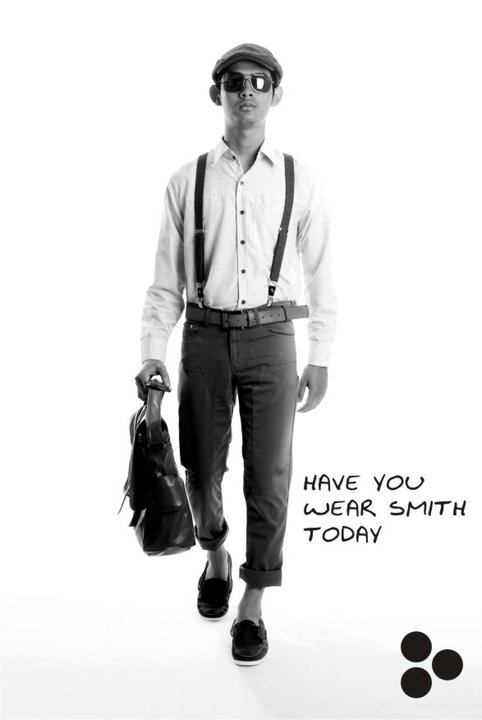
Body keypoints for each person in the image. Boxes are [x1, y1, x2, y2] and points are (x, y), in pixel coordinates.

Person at [135, 42, 337, 665]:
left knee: (269, 475)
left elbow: (322, 274)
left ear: (276, 94)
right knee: (200, 468)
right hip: (203, 337)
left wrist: (320, 353)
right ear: (216, 93)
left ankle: (253, 598)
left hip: (274, 340)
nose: (246, 90)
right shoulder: (185, 180)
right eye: (234, 81)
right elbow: (165, 281)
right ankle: (216, 552)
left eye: (259, 82)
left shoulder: (301, 179)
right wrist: (151, 352)